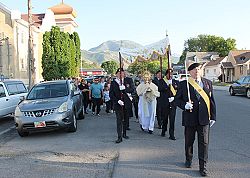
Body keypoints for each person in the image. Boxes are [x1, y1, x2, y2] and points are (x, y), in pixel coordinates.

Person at [175, 62, 216, 177]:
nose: (196, 71)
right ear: (189, 72)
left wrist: (213, 116)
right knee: (189, 141)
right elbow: (177, 100)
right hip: (190, 117)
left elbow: (211, 100)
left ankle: (203, 167)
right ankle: (188, 159)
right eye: (194, 70)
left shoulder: (208, 83)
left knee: (204, 143)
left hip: (204, 118)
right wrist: (185, 105)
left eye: (198, 69)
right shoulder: (184, 84)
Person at [110, 68, 134, 143]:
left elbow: (132, 89)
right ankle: (119, 137)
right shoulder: (114, 82)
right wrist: (117, 101)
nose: (121, 74)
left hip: (126, 103)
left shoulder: (128, 80)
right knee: (119, 120)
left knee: (126, 119)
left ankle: (124, 133)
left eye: (122, 73)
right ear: (116, 74)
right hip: (118, 104)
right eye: (119, 73)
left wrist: (125, 89)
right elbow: (111, 94)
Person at [158, 69, 179, 140]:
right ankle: (164, 130)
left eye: (172, 74)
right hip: (165, 103)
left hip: (173, 103)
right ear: (166, 74)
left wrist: (174, 98)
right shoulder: (161, 81)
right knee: (165, 119)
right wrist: (167, 86)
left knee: (172, 119)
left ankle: (171, 134)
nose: (170, 76)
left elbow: (178, 92)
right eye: (169, 74)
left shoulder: (175, 82)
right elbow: (160, 89)